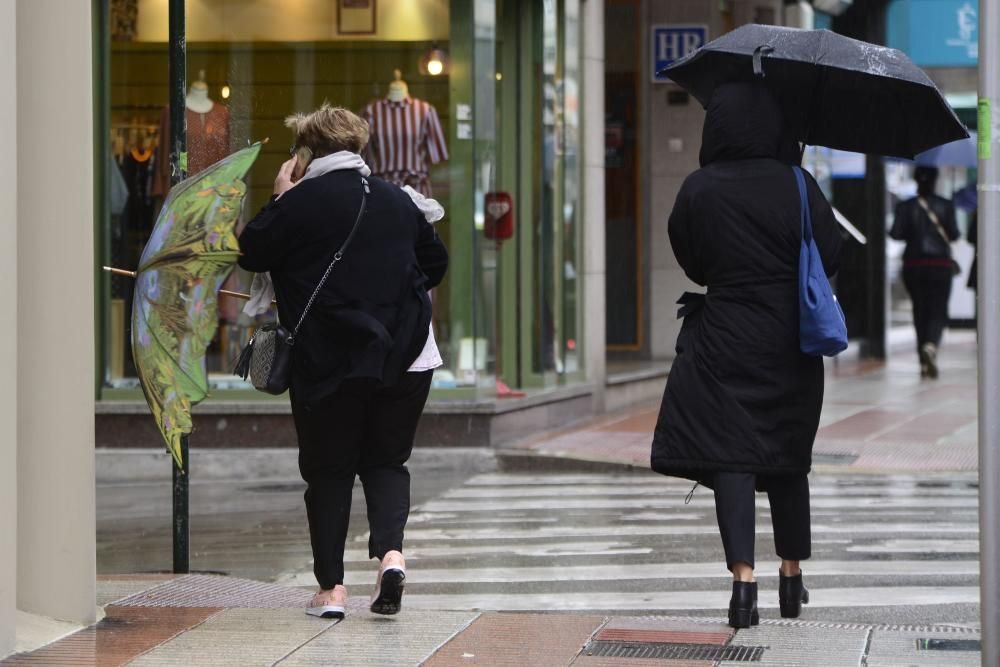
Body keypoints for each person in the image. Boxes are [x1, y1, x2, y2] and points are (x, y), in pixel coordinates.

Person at [237, 104, 448, 619]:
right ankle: (391, 559)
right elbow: (435, 266)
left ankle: (331, 590)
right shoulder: (400, 201)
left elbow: (252, 252)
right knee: (386, 462)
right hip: (405, 355)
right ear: (359, 148)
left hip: (328, 360)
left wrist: (281, 197)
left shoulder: (300, 202)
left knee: (329, 472)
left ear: (304, 154)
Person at [650, 82, 842, 629]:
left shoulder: (699, 188)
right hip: (790, 341)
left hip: (725, 337)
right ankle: (791, 576)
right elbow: (831, 254)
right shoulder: (797, 183)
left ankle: (743, 586)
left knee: (731, 457)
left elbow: (691, 262)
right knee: (786, 454)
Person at [889, 166, 959, 379]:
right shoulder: (946, 205)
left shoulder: (905, 206)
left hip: (913, 265)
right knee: (938, 309)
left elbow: (896, 234)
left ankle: (922, 360)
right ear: (936, 180)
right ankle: (931, 345)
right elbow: (954, 234)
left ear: (916, 180)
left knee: (919, 309)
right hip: (940, 265)